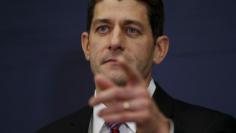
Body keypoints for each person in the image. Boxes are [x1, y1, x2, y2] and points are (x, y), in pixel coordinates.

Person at [37, 0, 236, 132]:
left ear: (159, 49)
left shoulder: (216, 128)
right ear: (87, 45)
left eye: (131, 30)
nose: (114, 42)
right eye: (103, 28)